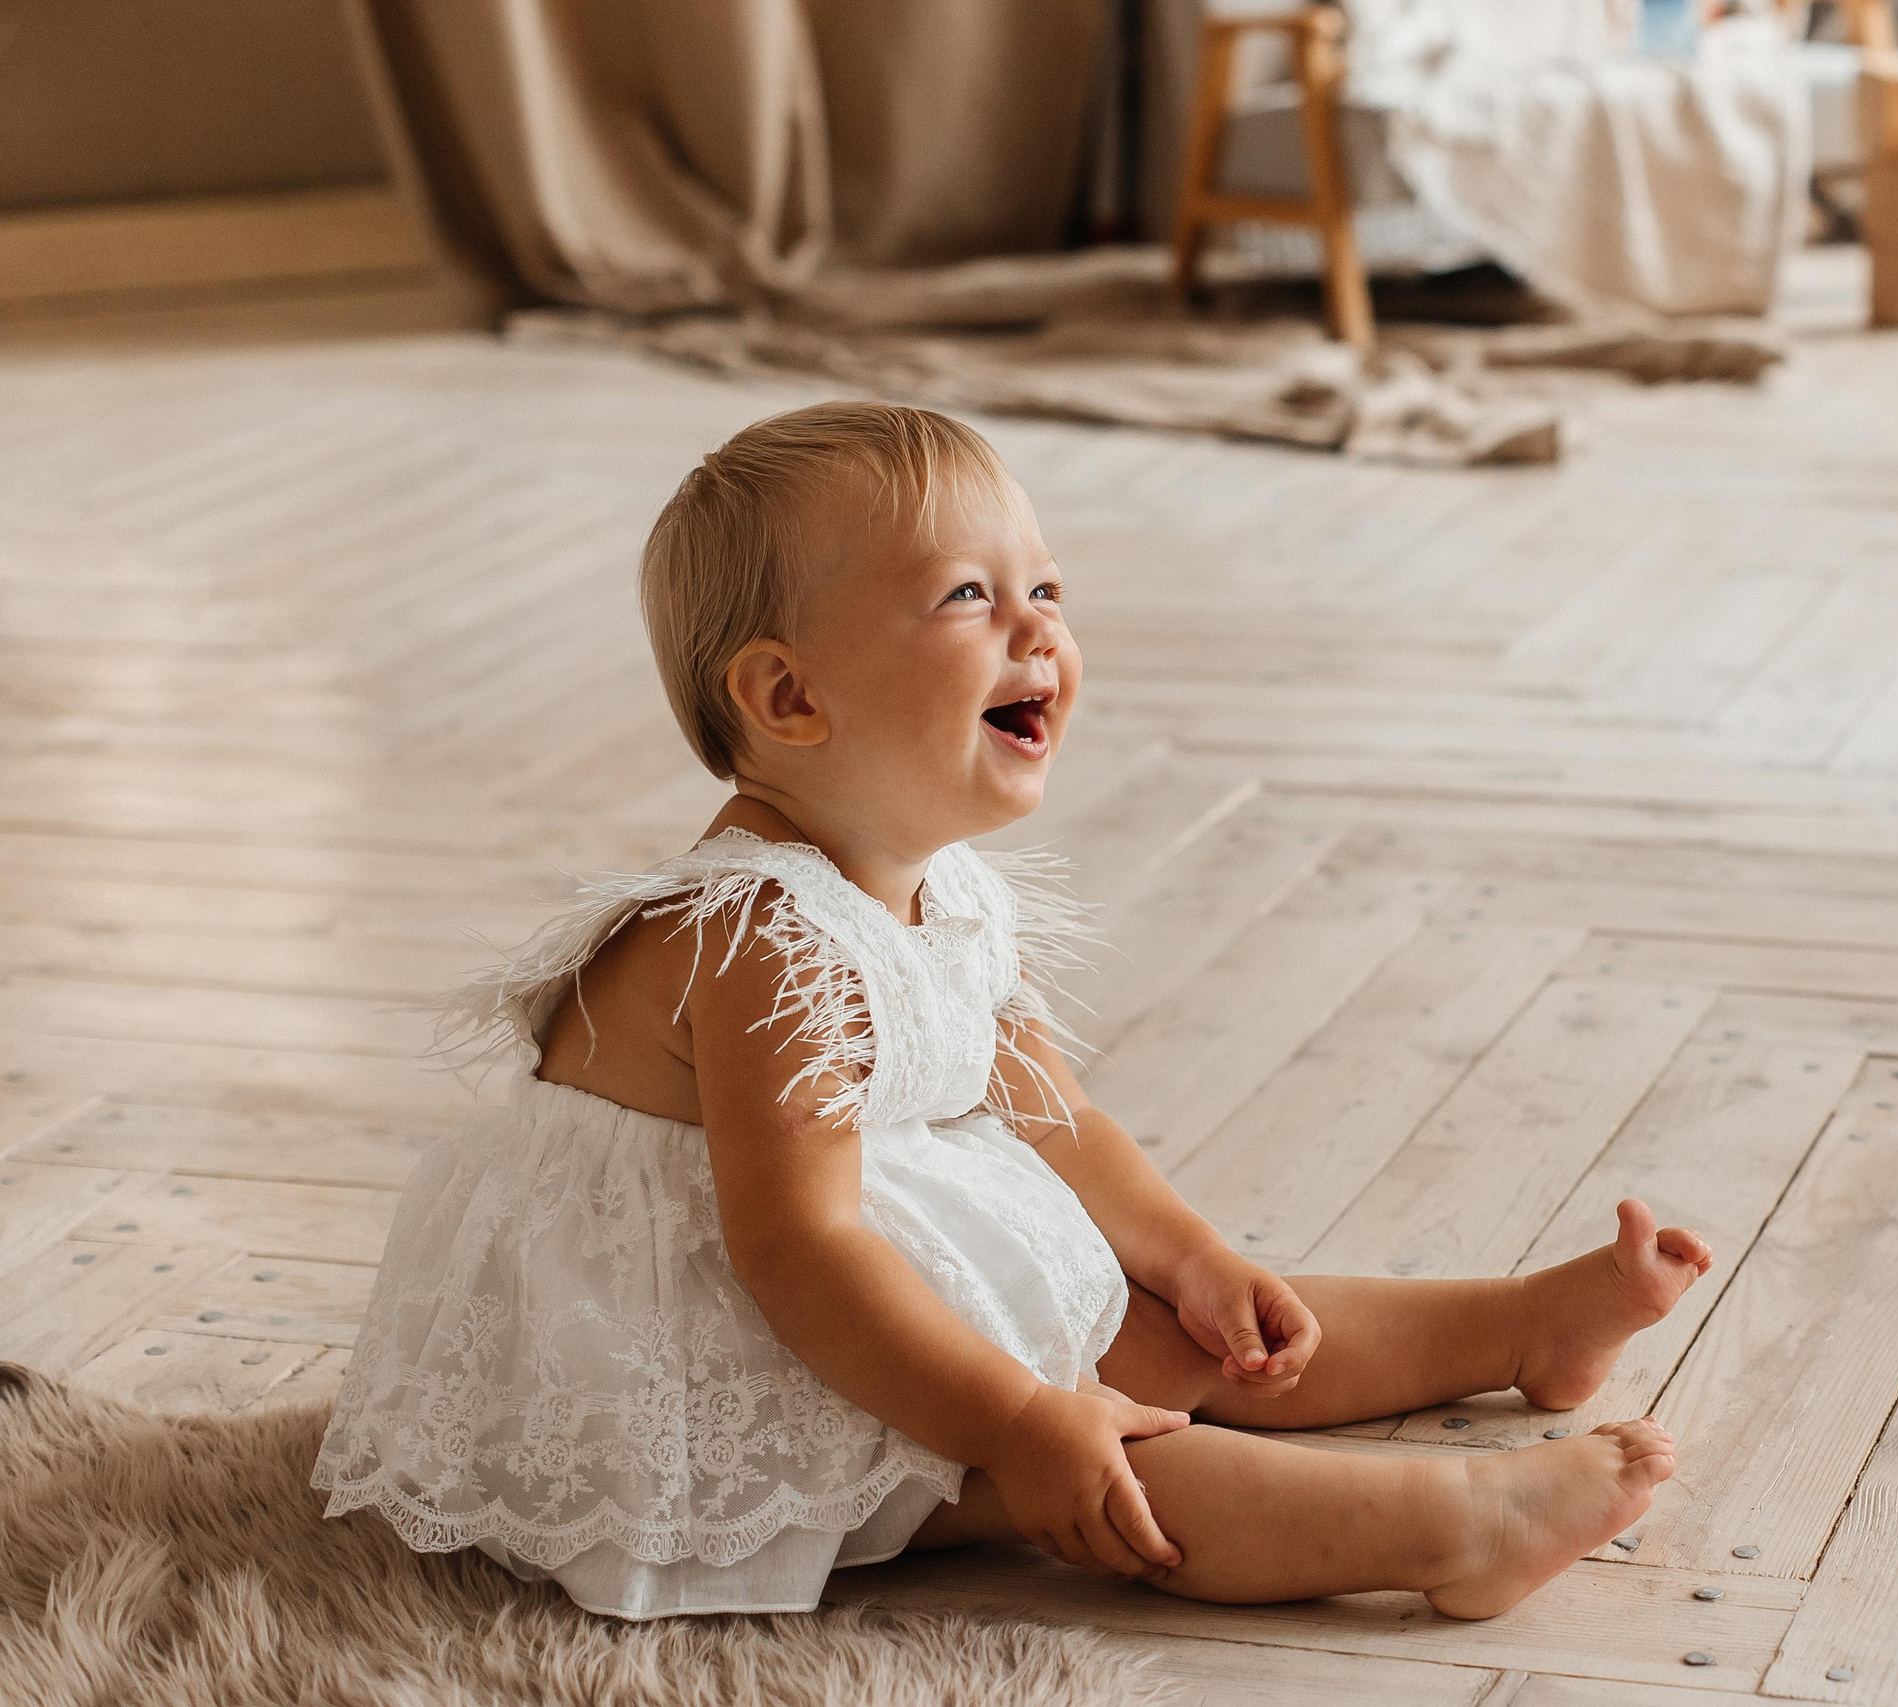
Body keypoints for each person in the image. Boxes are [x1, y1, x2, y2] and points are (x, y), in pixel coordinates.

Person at [312, 402, 1713, 1621]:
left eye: (1044, 587)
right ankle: (1460, 1533)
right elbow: (796, 1254)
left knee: (1194, 1338)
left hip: (873, 1241)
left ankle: (1525, 1327)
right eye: (969, 598)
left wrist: (1189, 1251)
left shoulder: (946, 888)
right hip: (709, 1338)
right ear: (789, 695)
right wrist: (1019, 1420)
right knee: (1099, 1463)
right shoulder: (752, 942)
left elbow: (1045, 1105)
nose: (1040, 626)